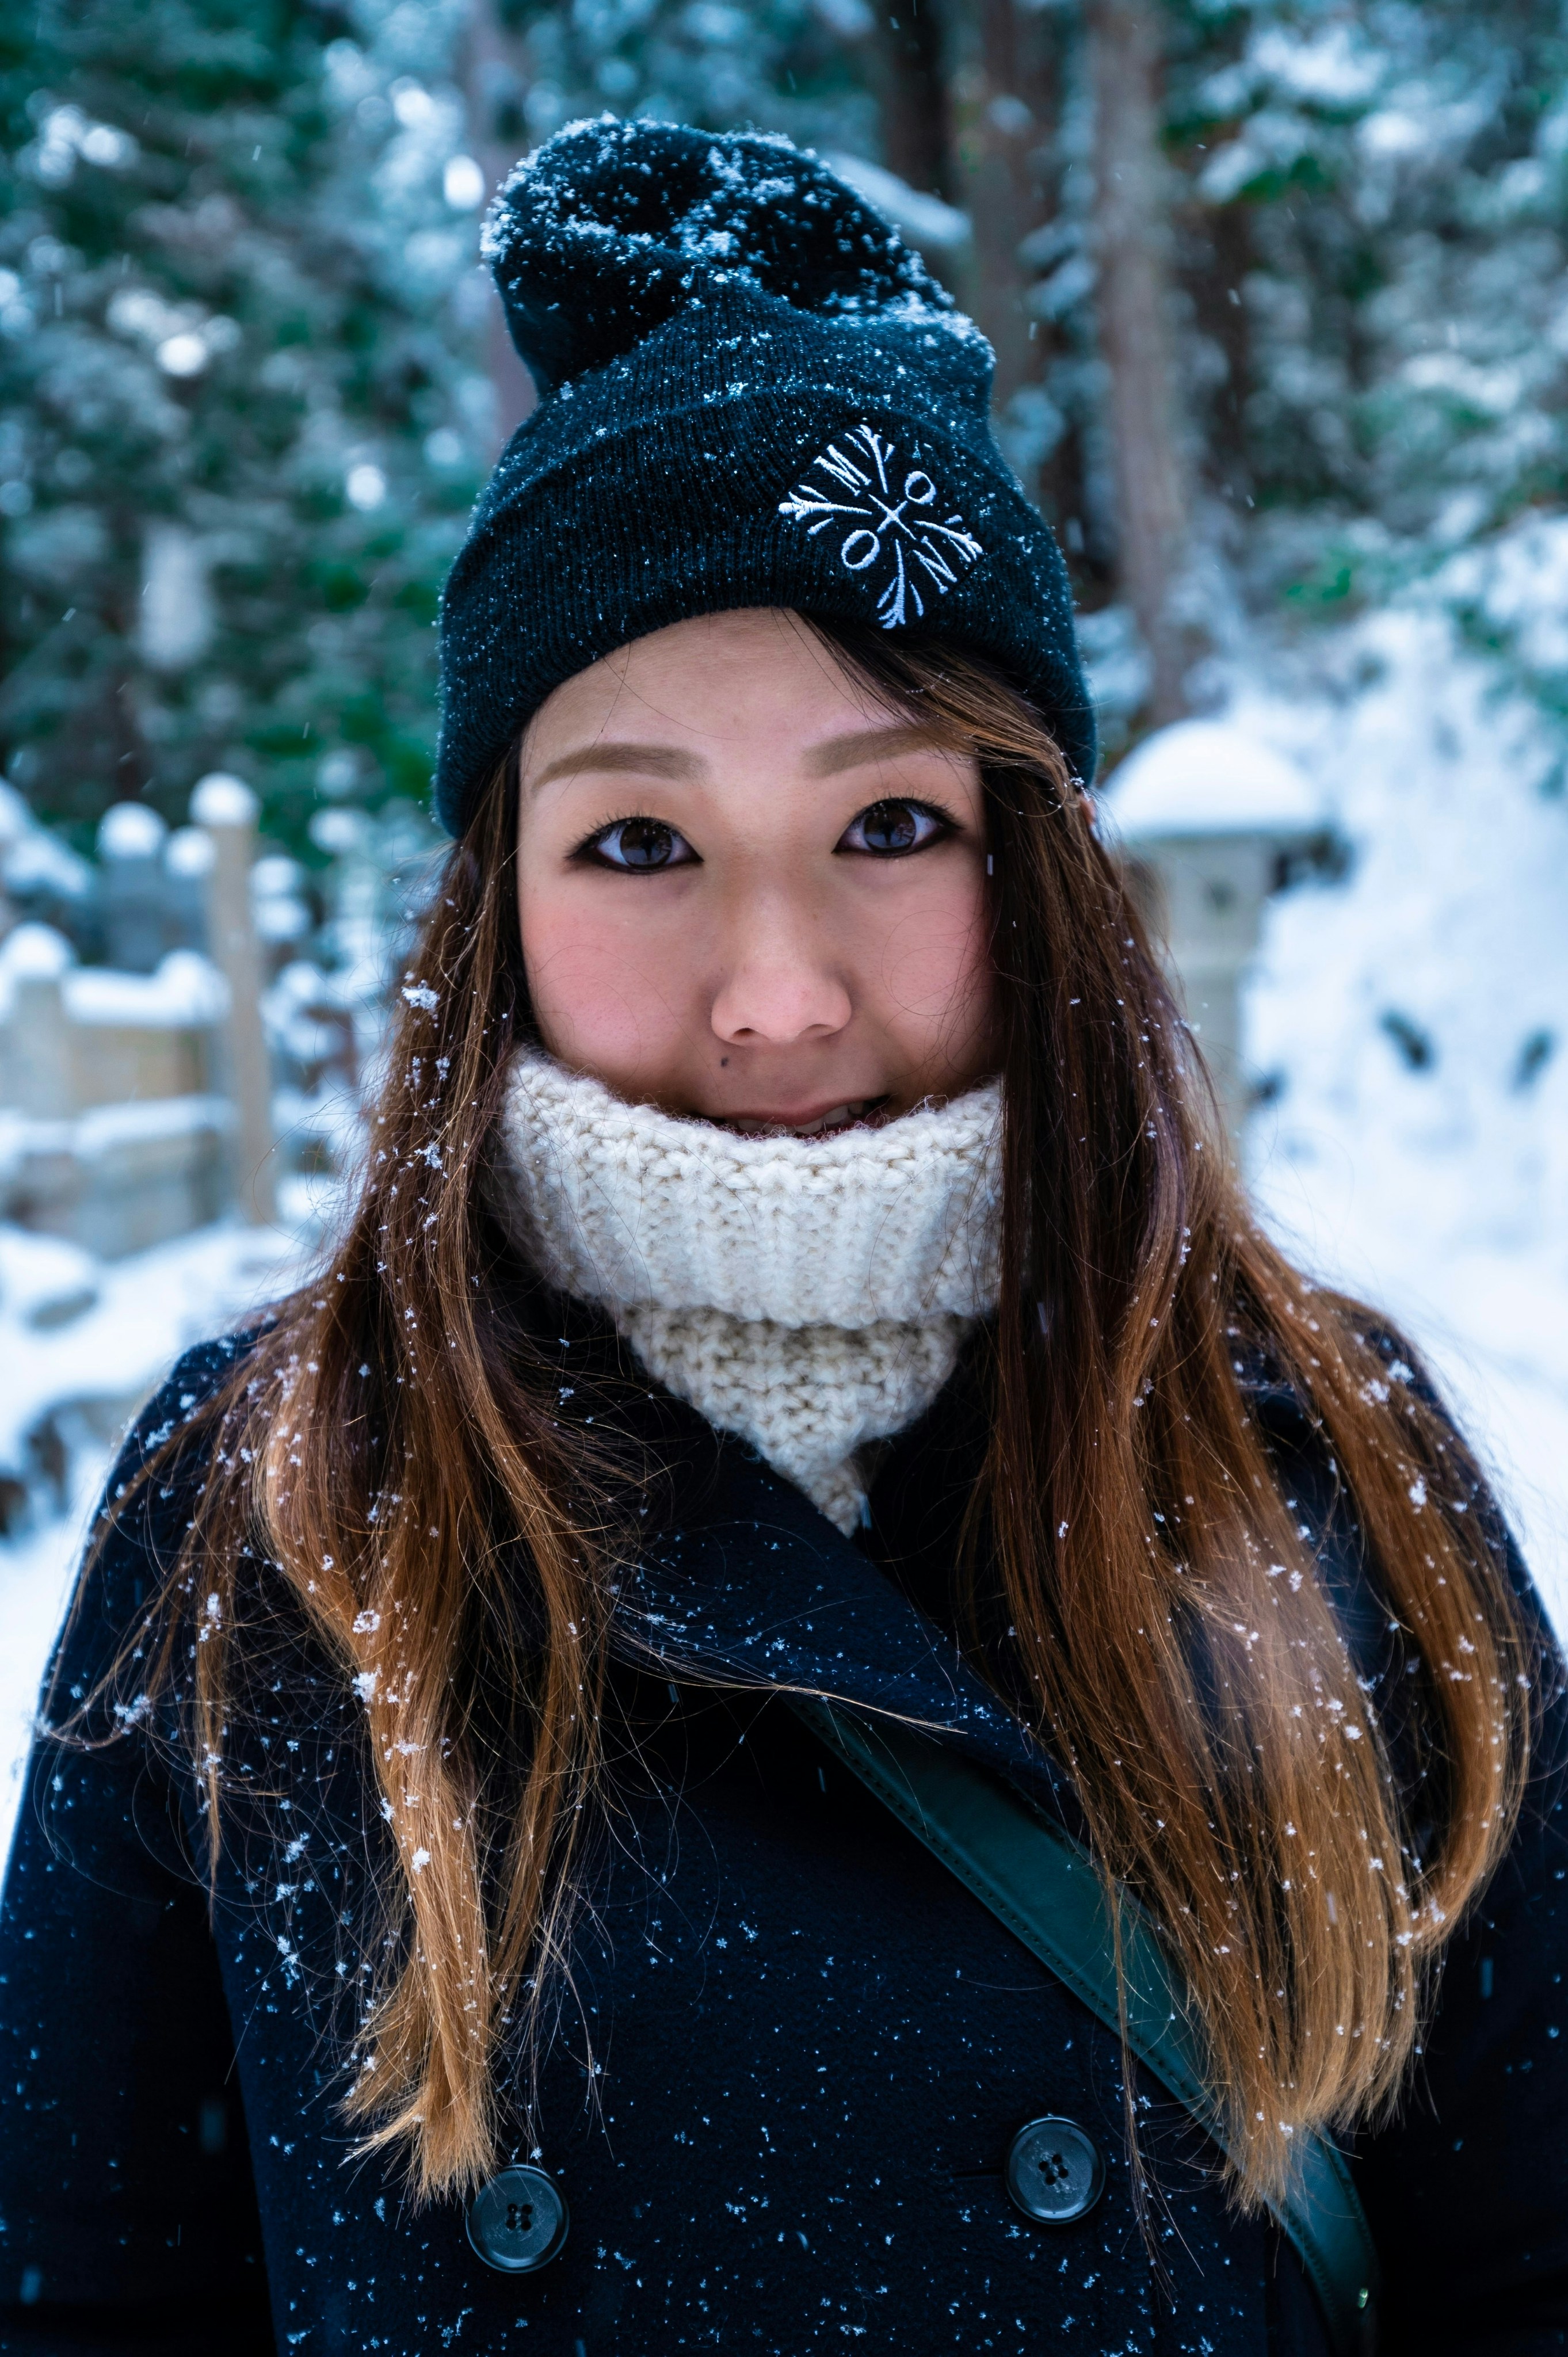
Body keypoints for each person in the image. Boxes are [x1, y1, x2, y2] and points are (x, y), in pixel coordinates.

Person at [1, 119, 1564, 2357]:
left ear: (1031, 863)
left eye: (890, 821)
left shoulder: (1305, 1461)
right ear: (494, 902)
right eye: (638, 836)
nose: (779, 987)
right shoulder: (265, 1505)